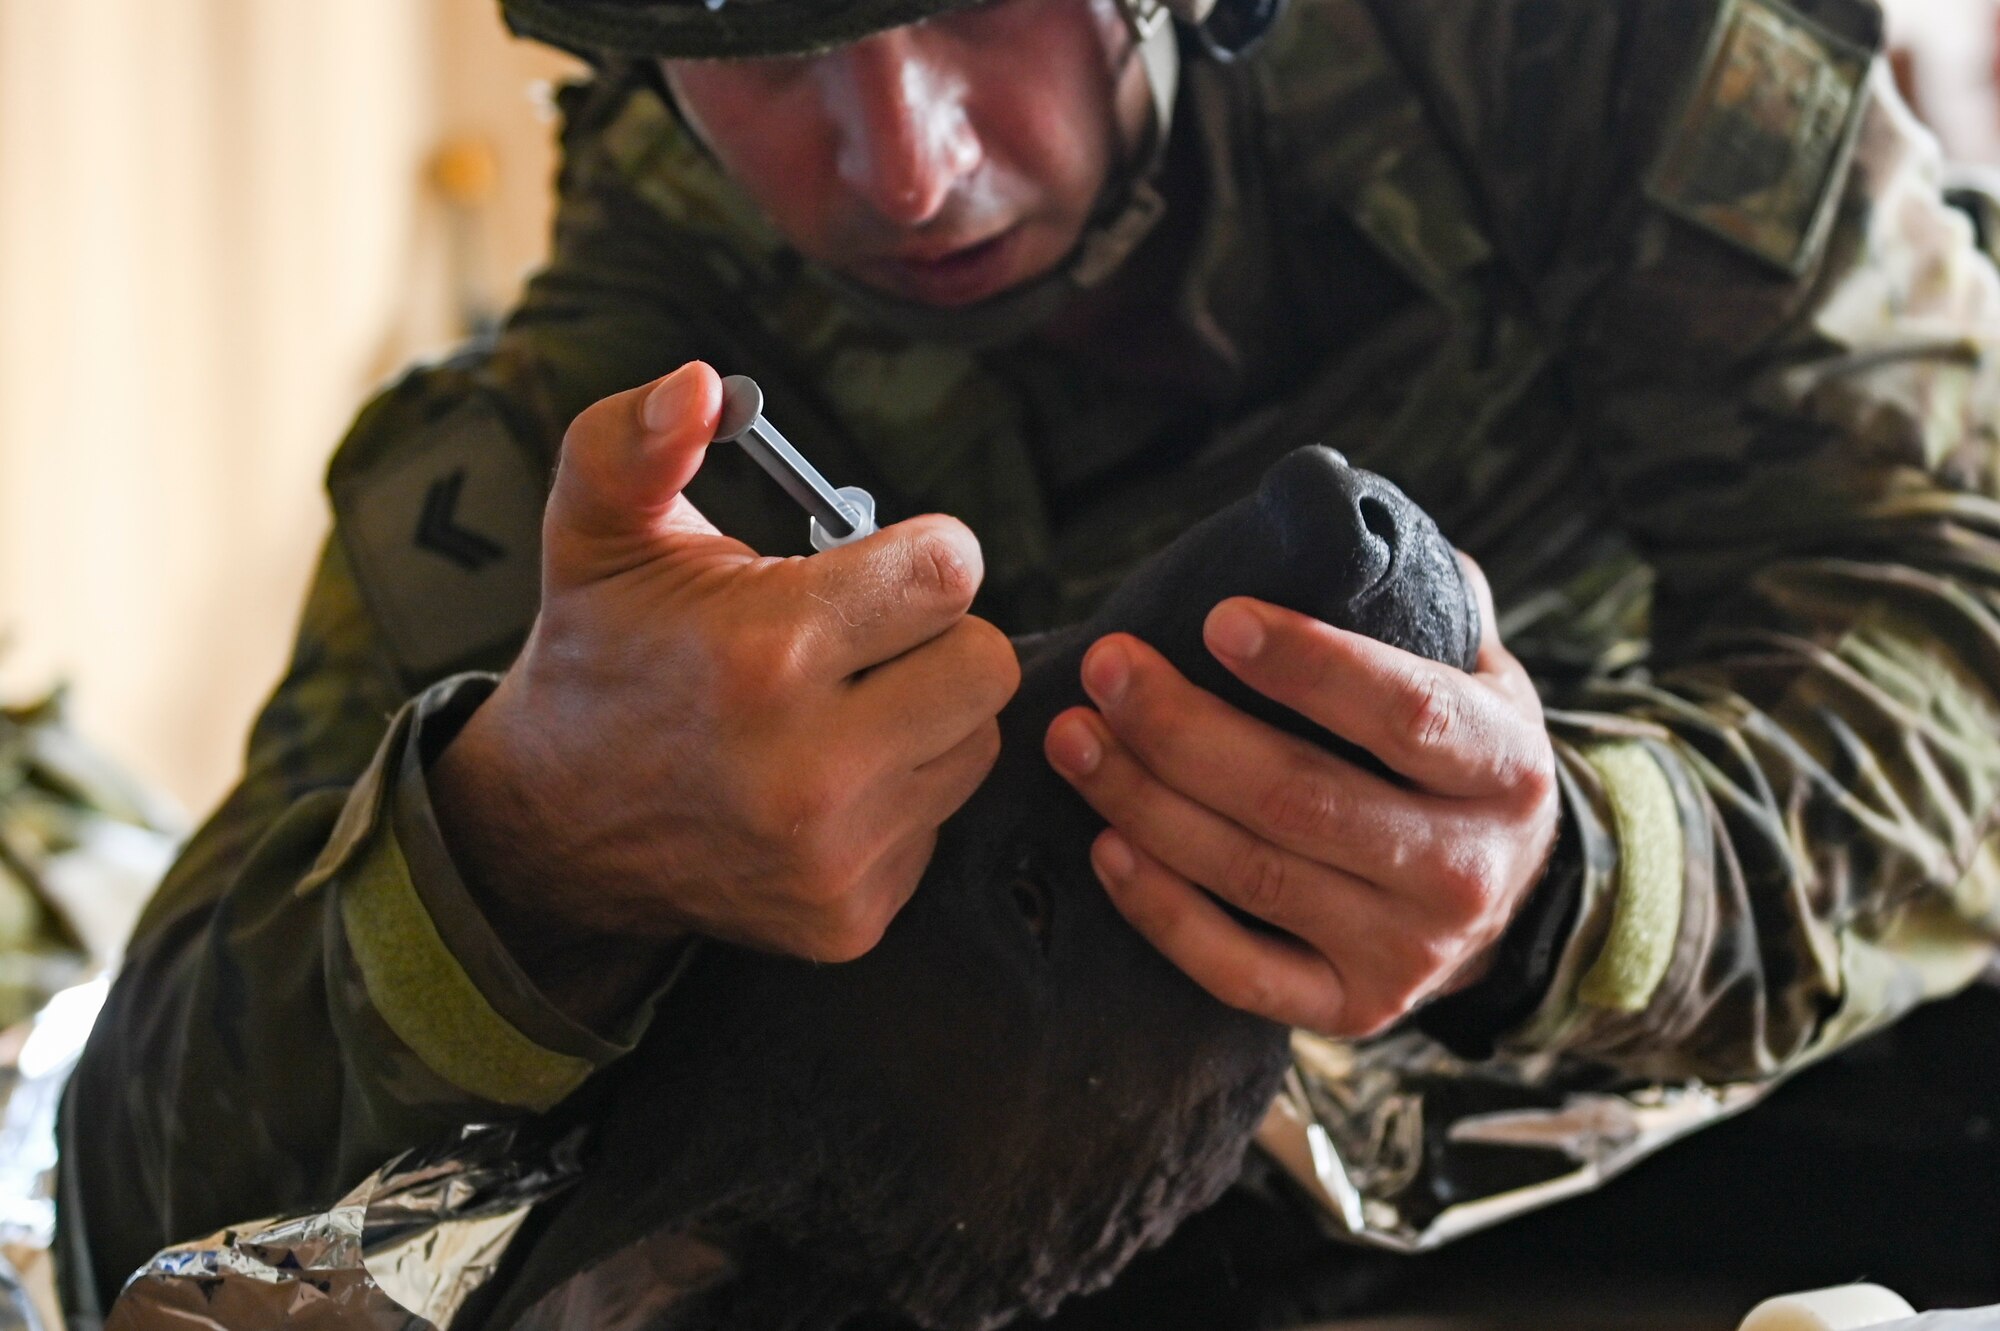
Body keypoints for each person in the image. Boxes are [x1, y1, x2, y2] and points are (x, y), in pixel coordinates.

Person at [53, 0, 2000, 1324]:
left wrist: (1578, 874)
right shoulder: (608, 383)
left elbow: (1956, 629)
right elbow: (139, 1191)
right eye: (769, 48)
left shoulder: (1583, 62)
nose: (904, 167)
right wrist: (522, 847)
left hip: (1741, 1148)